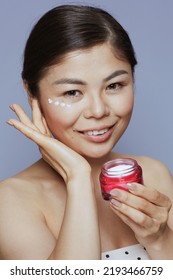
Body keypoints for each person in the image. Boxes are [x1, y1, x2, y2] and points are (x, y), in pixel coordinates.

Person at [0, 4, 173, 260]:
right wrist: (78, 178)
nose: (98, 110)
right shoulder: (10, 202)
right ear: (32, 93)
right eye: (72, 92)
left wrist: (159, 239)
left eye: (114, 85)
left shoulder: (153, 174)